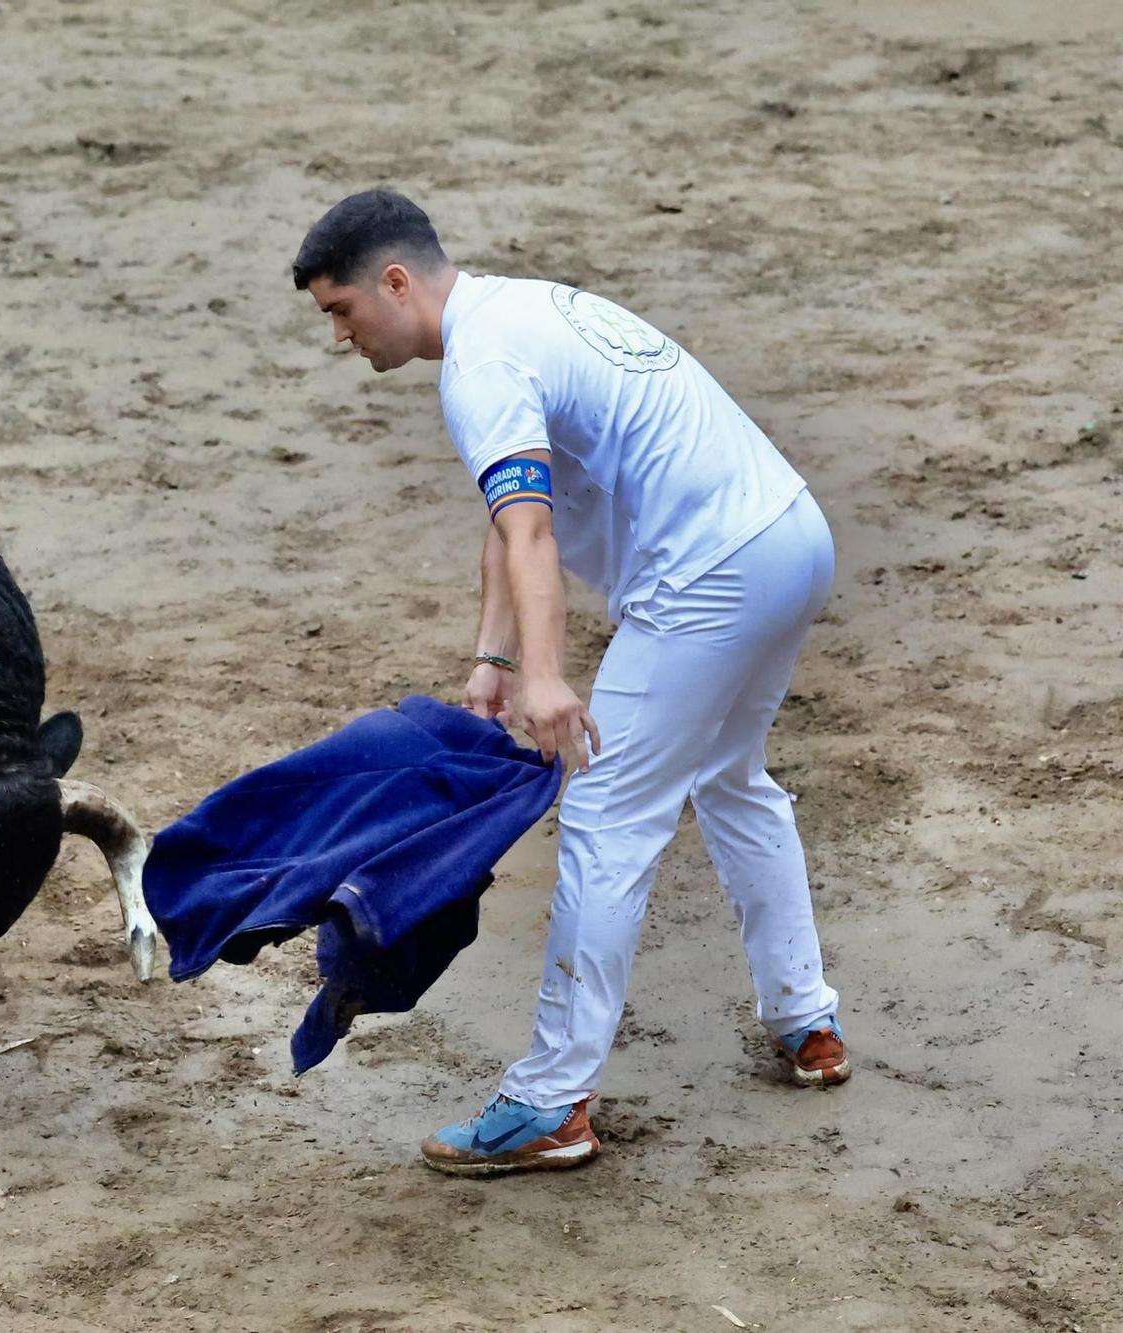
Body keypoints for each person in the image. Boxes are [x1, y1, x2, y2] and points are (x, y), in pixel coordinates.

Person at [292, 189, 848, 1177]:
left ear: (393, 282)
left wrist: (547, 679)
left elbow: (530, 533)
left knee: (603, 817)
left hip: (709, 577)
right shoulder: (517, 310)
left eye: (340, 310)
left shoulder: (479, 364)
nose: (341, 335)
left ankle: (549, 1102)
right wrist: (495, 659)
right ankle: (805, 1021)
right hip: (789, 538)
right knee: (729, 779)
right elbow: (509, 516)